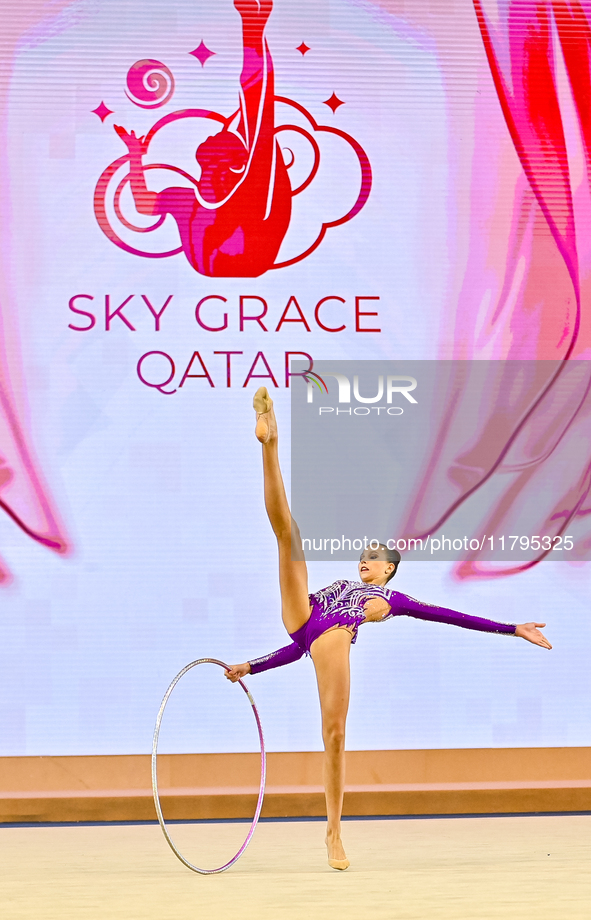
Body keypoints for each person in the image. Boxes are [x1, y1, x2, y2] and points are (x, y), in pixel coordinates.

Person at [225, 387, 552, 871]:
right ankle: (269, 442)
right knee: (288, 535)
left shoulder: (394, 598)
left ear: (390, 570)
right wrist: (251, 666)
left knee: (334, 736)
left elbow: (451, 615)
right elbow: (300, 646)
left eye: (373, 560)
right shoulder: (343, 584)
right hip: (309, 616)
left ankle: (334, 832)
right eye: (362, 558)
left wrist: (510, 628)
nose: (364, 562)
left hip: (333, 632)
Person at [113, 0, 291, 277]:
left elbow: (259, 100)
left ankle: (253, 32)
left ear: (234, 161)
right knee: (257, 119)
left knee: (259, 119)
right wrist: (135, 155)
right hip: (219, 261)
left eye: (223, 137)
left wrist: (252, 29)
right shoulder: (186, 198)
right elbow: (144, 204)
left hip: (248, 256)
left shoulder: (249, 189)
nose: (218, 131)